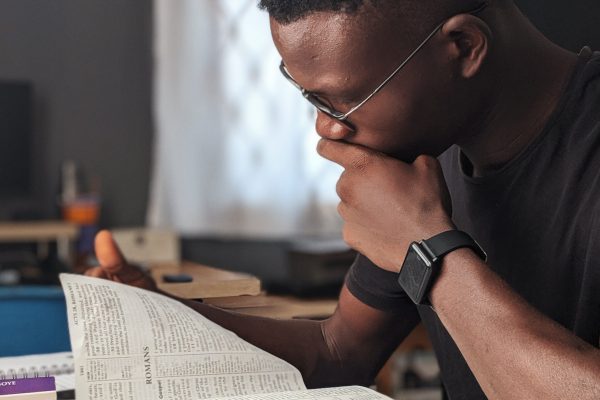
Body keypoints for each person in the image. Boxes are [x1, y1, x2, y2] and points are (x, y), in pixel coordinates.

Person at [86, 0, 600, 398]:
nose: (326, 127)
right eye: (310, 97)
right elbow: (338, 352)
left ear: (463, 46)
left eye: (347, 99)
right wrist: (157, 315)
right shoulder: (426, 153)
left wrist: (428, 250)